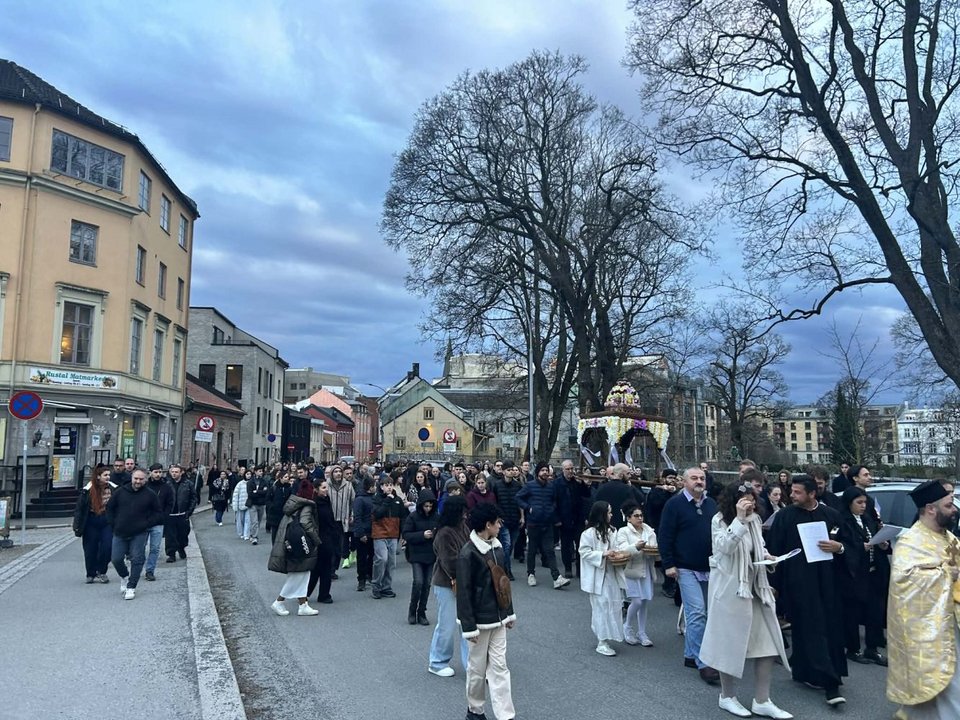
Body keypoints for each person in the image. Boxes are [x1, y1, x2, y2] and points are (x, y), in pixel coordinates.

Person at [700, 483, 793, 720]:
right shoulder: (719, 521)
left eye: (753, 499)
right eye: (745, 500)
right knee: (729, 646)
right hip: (731, 591)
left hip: (755, 589)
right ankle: (727, 696)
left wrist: (769, 557)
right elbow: (725, 547)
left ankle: (762, 700)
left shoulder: (756, 520)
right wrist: (739, 520)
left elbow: (758, 547)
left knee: (767, 646)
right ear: (734, 502)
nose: (750, 504)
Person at [766, 476, 847, 706]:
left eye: (798, 492)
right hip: (799, 583)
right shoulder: (785, 516)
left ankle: (809, 672)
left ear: (812, 494)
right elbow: (774, 551)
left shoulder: (831, 515)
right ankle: (830, 683)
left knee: (829, 628)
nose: (792, 496)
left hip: (829, 583)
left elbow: (848, 545)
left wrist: (839, 547)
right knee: (810, 629)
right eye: (792, 491)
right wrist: (774, 584)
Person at [887, 480, 960, 719]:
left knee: (944, 683)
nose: (954, 510)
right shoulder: (911, 541)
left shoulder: (950, 538)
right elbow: (905, 579)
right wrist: (946, 574)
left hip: (952, 619)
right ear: (930, 509)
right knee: (949, 681)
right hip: (930, 627)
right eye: (948, 505)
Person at [659, 467, 720, 685]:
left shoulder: (711, 504)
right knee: (697, 613)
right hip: (684, 567)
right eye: (694, 478)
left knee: (706, 613)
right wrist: (668, 564)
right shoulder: (674, 504)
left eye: (702, 478)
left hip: (708, 567)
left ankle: (690, 655)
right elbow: (665, 535)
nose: (699, 481)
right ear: (684, 482)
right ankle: (704, 663)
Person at [457, 502, 517, 720]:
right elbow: (463, 592)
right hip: (479, 623)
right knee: (477, 669)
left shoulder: (498, 548)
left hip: (498, 619)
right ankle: (475, 710)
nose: (500, 526)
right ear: (487, 525)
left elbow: (503, 584)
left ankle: (505, 715)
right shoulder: (467, 554)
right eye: (497, 522)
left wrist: (508, 613)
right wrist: (469, 627)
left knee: (500, 666)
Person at [836, 486, 890, 666]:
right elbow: (840, 546)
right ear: (849, 503)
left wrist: (882, 544)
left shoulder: (868, 519)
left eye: (865, 502)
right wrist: (860, 547)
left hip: (873, 571)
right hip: (855, 574)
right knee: (853, 613)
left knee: (874, 612)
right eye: (859, 502)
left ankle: (872, 648)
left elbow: (876, 537)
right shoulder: (842, 521)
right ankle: (853, 649)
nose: (863, 506)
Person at [428, 495, 470, 678]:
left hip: (463, 581)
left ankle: (472, 665)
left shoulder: (463, 527)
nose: (466, 514)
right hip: (447, 583)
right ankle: (437, 662)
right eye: (463, 511)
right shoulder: (445, 533)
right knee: (446, 625)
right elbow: (449, 562)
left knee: (467, 625)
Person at [106, 468, 163, 600]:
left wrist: (146, 523)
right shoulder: (120, 492)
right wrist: (113, 523)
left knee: (137, 559)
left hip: (139, 532)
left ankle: (131, 586)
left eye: (141, 479)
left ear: (145, 480)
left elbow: (158, 513)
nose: (138, 481)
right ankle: (124, 576)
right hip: (120, 531)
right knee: (116, 559)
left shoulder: (150, 494)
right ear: (131, 478)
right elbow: (110, 508)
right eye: (136, 478)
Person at [267, 478, 320, 616]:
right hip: (301, 546)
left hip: (292, 545)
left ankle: (303, 604)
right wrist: (316, 540)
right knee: (299, 575)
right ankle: (279, 601)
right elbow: (306, 524)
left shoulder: (294, 505)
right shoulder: (307, 506)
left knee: (302, 575)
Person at [579, 500, 625, 656]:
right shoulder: (588, 533)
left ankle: (609, 636)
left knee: (614, 604)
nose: (611, 515)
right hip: (596, 576)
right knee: (601, 606)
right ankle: (602, 641)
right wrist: (603, 554)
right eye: (609, 512)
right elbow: (584, 552)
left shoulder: (612, 531)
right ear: (601, 514)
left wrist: (618, 554)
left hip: (611, 573)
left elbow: (617, 548)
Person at [516, 461, 570, 589]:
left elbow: (554, 500)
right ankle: (531, 574)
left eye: (546, 470)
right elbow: (518, 497)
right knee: (532, 550)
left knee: (550, 551)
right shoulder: (530, 485)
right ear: (537, 473)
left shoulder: (551, 487)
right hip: (533, 523)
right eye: (542, 470)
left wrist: (552, 510)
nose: (545, 472)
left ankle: (556, 577)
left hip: (547, 523)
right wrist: (528, 508)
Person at [616, 500, 657, 647]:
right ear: (628, 518)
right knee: (637, 601)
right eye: (636, 516)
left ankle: (642, 632)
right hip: (631, 570)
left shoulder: (649, 531)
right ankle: (627, 626)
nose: (640, 518)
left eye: (641, 515)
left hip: (646, 568)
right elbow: (622, 550)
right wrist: (636, 547)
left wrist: (653, 550)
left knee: (644, 601)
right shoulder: (623, 531)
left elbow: (655, 548)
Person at [73, 465, 116, 583]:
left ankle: (102, 571)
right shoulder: (87, 490)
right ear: (98, 476)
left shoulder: (113, 488)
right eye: (105, 475)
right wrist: (77, 525)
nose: (108, 477)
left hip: (107, 521)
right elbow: (80, 509)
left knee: (107, 547)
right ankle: (90, 573)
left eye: (109, 475)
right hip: (91, 521)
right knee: (90, 549)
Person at [402, 489, 438, 625]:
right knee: (418, 582)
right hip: (416, 554)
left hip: (430, 554)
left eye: (430, 506)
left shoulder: (436, 517)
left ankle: (421, 611)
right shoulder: (413, 517)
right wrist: (422, 535)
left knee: (427, 584)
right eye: (426, 506)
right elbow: (406, 534)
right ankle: (412, 610)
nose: (428, 508)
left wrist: (435, 535)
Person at [371, 475, 408, 599]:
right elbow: (377, 514)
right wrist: (387, 500)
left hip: (393, 533)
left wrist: (404, 533)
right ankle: (376, 585)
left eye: (391, 485)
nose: (389, 487)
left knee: (391, 562)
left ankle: (386, 587)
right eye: (386, 485)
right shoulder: (376, 499)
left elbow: (403, 517)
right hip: (380, 532)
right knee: (382, 559)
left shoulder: (398, 500)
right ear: (381, 487)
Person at [307, 479, 340, 605]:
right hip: (320, 538)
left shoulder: (326, 500)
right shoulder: (314, 504)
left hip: (328, 537)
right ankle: (319, 594)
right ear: (316, 489)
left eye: (327, 487)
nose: (326, 490)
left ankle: (317, 593)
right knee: (321, 568)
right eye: (323, 488)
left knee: (321, 568)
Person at [144, 463, 172, 580]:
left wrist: (164, 516)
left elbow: (170, 503)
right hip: (144, 521)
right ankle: (138, 568)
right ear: (150, 473)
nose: (158, 474)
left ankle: (150, 570)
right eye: (155, 472)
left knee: (155, 548)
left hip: (159, 521)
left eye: (160, 472)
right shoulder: (145, 486)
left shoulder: (166, 487)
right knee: (141, 547)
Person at [164, 463, 196, 561]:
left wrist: (189, 511)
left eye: (176, 472)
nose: (174, 474)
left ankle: (181, 548)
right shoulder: (166, 484)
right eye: (172, 472)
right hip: (170, 514)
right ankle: (171, 554)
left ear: (181, 473)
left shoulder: (188, 484)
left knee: (183, 534)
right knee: (170, 536)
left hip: (182, 514)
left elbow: (193, 498)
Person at [351, 474, 376, 592]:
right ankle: (361, 579)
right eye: (374, 486)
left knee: (372, 556)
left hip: (373, 532)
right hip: (363, 533)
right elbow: (358, 517)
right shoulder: (360, 499)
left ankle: (370, 575)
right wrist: (361, 534)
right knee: (362, 557)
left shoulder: (374, 498)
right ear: (369, 487)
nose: (375, 488)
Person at [266, 470, 295, 545]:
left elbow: (292, 498)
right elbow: (268, 499)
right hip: (275, 514)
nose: (287, 478)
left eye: (288, 477)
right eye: (285, 477)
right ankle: (274, 547)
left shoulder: (289, 488)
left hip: (285, 513)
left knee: (285, 532)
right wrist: (272, 506)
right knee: (275, 533)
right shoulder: (274, 487)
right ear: (280, 478)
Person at [246, 466, 271, 546]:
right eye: (259, 471)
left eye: (262, 471)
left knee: (259, 521)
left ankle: (252, 533)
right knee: (254, 521)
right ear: (255, 472)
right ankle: (255, 537)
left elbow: (266, 492)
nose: (261, 472)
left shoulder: (264, 481)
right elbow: (250, 493)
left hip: (261, 504)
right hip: (252, 503)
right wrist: (260, 492)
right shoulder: (250, 482)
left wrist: (257, 492)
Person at [232, 470, 251, 540]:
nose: (249, 475)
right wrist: (235, 505)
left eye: (250, 474)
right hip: (240, 504)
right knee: (240, 520)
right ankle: (241, 533)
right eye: (247, 474)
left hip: (249, 504)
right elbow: (235, 495)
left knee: (248, 520)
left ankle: (246, 534)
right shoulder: (240, 484)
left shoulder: (252, 483)